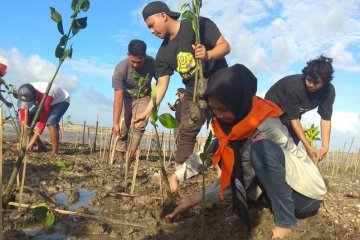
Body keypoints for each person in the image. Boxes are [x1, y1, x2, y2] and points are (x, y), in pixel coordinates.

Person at [166, 64, 327, 239]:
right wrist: (177, 176)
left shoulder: (266, 126)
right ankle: (260, 203)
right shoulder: (233, 122)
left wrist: (191, 201)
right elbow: (209, 153)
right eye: (214, 110)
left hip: (303, 196)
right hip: (279, 189)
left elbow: (234, 183)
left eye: (223, 109)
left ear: (237, 103)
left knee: (261, 150)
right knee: (218, 145)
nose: (219, 116)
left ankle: (286, 221)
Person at [138, 1, 231, 171]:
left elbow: (225, 47)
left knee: (224, 130)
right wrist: (147, 111)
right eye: (148, 28)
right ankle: (177, 178)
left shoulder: (197, 25)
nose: (151, 31)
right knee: (186, 132)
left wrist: (208, 54)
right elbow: (161, 85)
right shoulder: (163, 53)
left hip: (219, 84)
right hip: (194, 93)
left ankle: (224, 177)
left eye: (151, 25)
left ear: (163, 15)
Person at [265, 55, 335, 161]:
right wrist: (307, 147)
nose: (310, 84)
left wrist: (325, 146)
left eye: (316, 82)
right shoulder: (295, 87)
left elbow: (326, 119)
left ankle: (287, 166)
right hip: (272, 107)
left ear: (325, 82)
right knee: (278, 139)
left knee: (294, 141)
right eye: (309, 80)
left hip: (293, 112)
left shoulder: (329, 92)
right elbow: (294, 119)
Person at [112, 39, 155, 166]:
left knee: (139, 125)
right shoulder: (121, 68)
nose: (135, 65)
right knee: (122, 127)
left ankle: (129, 159)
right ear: (127, 55)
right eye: (133, 61)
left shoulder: (152, 63)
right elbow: (118, 97)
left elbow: (161, 82)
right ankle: (120, 155)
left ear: (145, 57)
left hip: (144, 96)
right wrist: (115, 123)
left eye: (139, 62)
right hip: (126, 97)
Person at [17, 82, 70, 154]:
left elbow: (42, 123)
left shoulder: (46, 96)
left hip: (61, 101)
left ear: (34, 98)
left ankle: (55, 152)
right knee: (28, 122)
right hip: (41, 101)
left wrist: (31, 142)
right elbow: (24, 121)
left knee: (51, 122)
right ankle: (41, 146)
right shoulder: (23, 94)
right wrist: (22, 142)